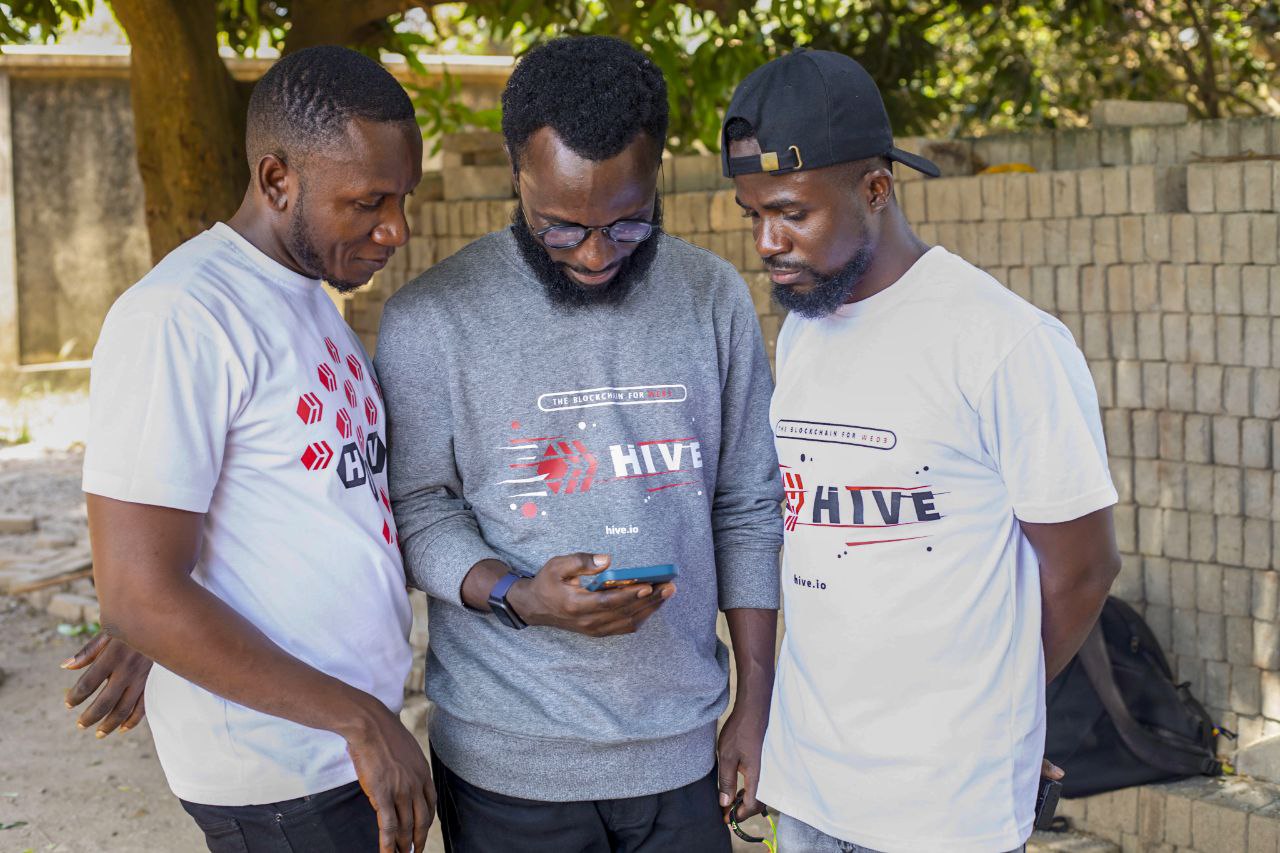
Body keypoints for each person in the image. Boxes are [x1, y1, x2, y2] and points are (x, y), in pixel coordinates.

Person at [374, 35, 783, 852]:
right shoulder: (432, 319)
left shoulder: (713, 298)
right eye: (561, 229)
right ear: (516, 173)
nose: (596, 254)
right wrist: (519, 594)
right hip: (508, 760)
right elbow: (417, 507)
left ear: (659, 171)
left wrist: (756, 703)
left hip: (682, 749)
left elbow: (747, 503)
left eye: (629, 223)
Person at [723, 50, 1122, 852]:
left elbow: (1083, 568)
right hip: (809, 787)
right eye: (752, 214)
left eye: (793, 212)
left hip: (942, 804)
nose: (768, 241)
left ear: (876, 189)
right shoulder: (803, 330)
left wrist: (1003, 706)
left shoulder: (1002, 342)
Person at [75, 45, 432, 853]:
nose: (396, 228)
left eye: (402, 198)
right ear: (277, 180)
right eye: (369, 200)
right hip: (281, 771)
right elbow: (137, 592)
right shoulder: (180, 314)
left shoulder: (309, 300)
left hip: (333, 751)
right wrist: (361, 716)